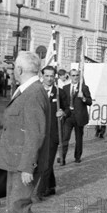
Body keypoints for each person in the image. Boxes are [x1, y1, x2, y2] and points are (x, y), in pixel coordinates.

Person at [0, 51, 54, 213]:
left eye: (13, 68)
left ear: (19, 70)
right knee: (12, 206)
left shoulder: (34, 93)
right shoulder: (28, 90)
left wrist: (28, 166)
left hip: (24, 163)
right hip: (15, 161)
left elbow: (35, 134)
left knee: (19, 206)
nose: (12, 72)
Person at [34, 65, 63, 200]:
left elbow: (68, 109)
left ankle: (39, 192)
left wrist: (63, 112)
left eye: (52, 76)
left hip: (52, 134)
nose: (49, 79)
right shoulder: (36, 92)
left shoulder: (59, 93)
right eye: (47, 76)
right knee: (43, 162)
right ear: (42, 76)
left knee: (46, 163)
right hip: (38, 133)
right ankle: (51, 186)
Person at [60, 69, 92, 164]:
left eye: (77, 75)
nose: (75, 77)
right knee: (65, 138)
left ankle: (77, 157)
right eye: (73, 75)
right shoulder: (65, 88)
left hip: (79, 117)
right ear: (69, 76)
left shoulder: (84, 88)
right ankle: (62, 158)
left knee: (79, 139)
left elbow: (90, 102)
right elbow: (62, 102)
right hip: (68, 117)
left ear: (79, 76)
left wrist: (83, 98)